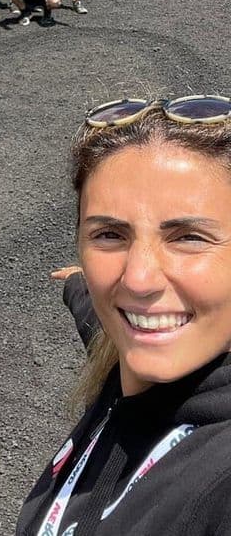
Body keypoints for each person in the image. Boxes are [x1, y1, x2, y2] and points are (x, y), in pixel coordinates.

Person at [15, 94, 231, 536]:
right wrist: (79, 283)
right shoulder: (126, 355)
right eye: (110, 235)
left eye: (189, 237)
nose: (137, 279)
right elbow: (98, 322)